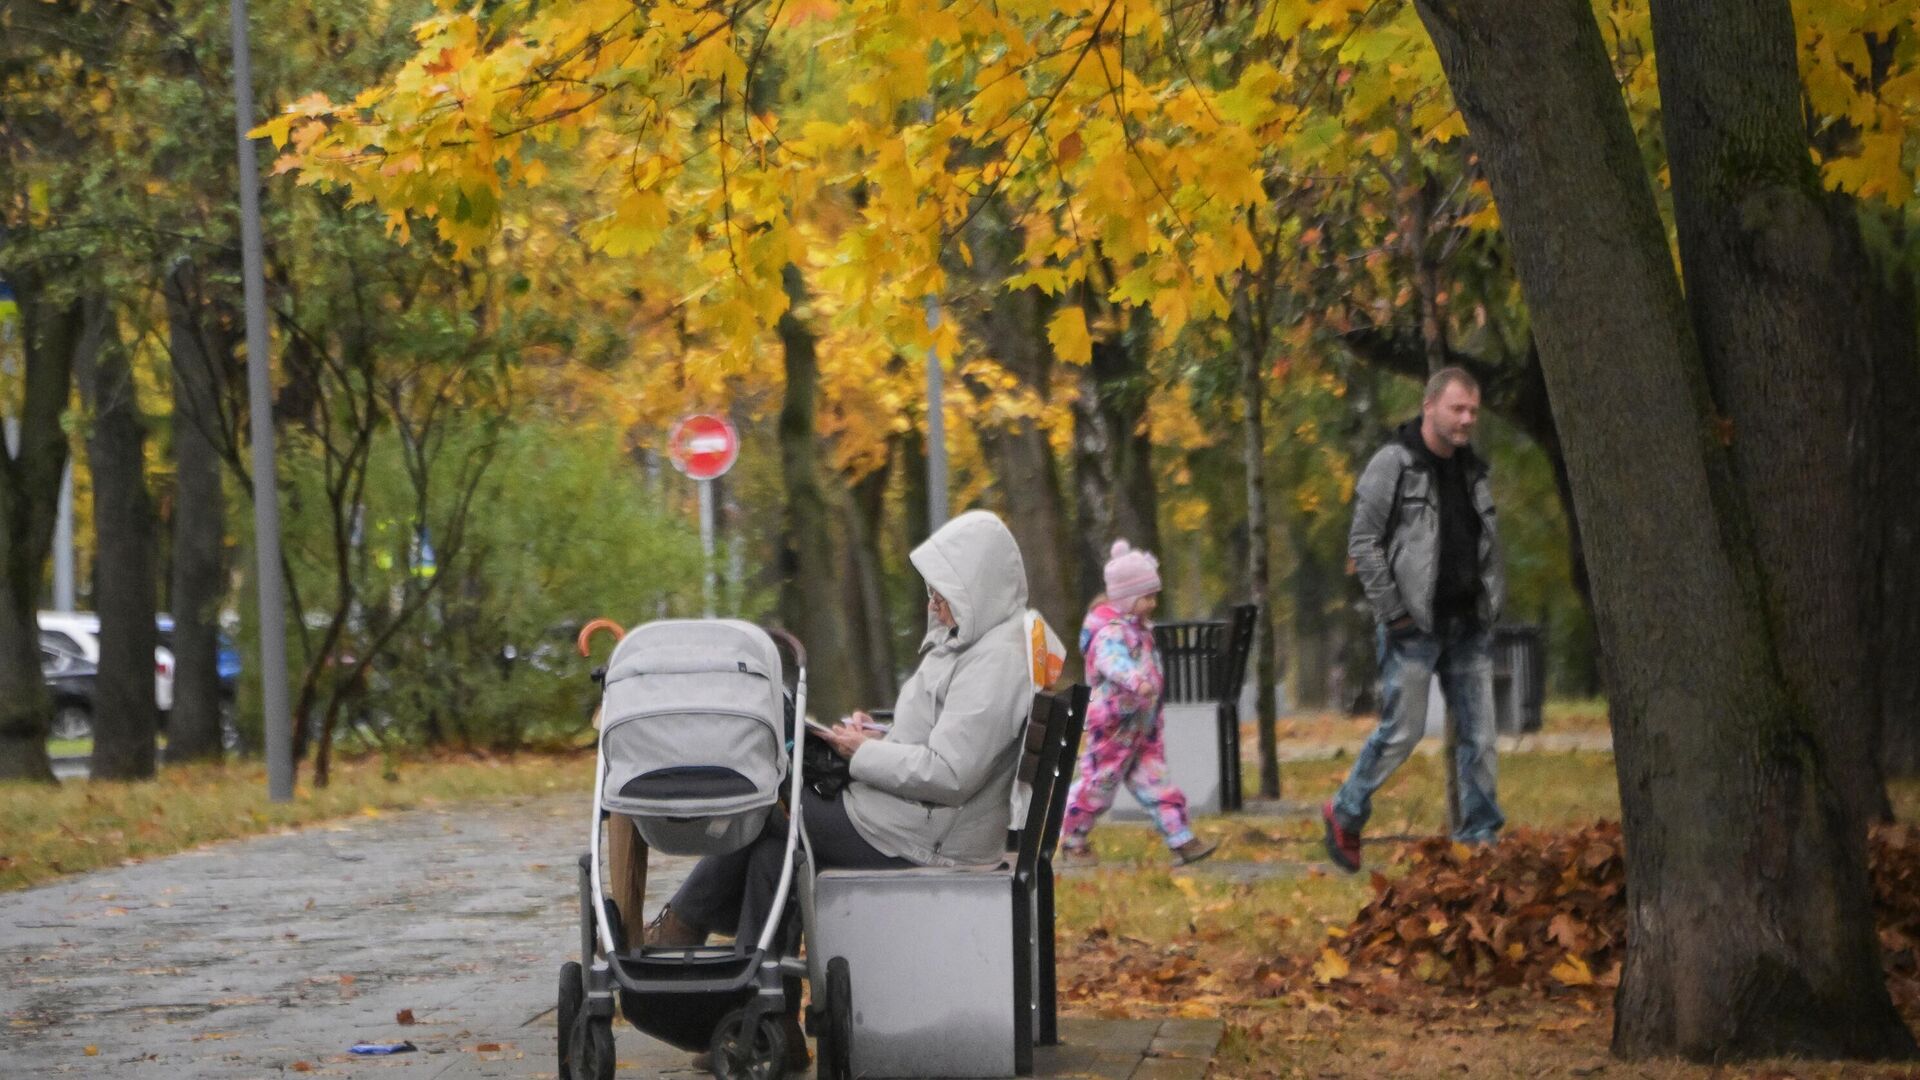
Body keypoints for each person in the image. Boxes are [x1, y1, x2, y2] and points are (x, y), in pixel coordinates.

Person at [643, 509, 1036, 1067]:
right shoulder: (974, 647)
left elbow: (949, 775)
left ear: (979, 588)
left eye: (944, 593)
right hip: (910, 818)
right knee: (773, 846)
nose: (934, 605)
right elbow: (942, 744)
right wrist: (876, 735)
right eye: (932, 593)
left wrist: (858, 755)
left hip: (926, 837)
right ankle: (760, 1018)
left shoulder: (993, 662)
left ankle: (689, 933)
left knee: (764, 809)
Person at [1324, 367, 1506, 873]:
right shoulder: (1394, 464)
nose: (1468, 418)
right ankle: (1345, 810)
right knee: (1402, 733)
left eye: (1473, 410)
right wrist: (1394, 614)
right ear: (1430, 406)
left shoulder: (1474, 471)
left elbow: (1487, 544)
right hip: (1413, 627)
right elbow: (1363, 542)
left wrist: (1491, 603)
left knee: (1482, 738)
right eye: (1457, 409)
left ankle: (1480, 839)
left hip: (1468, 626)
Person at [1056, 541, 1219, 869]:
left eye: (1153, 596)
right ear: (1127, 598)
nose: (1152, 604)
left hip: (1141, 727)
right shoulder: (1111, 633)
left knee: (1157, 783)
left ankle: (1181, 839)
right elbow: (1111, 662)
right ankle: (1070, 838)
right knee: (1097, 787)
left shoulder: (1140, 630)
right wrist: (1137, 681)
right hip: (1114, 727)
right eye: (1146, 597)